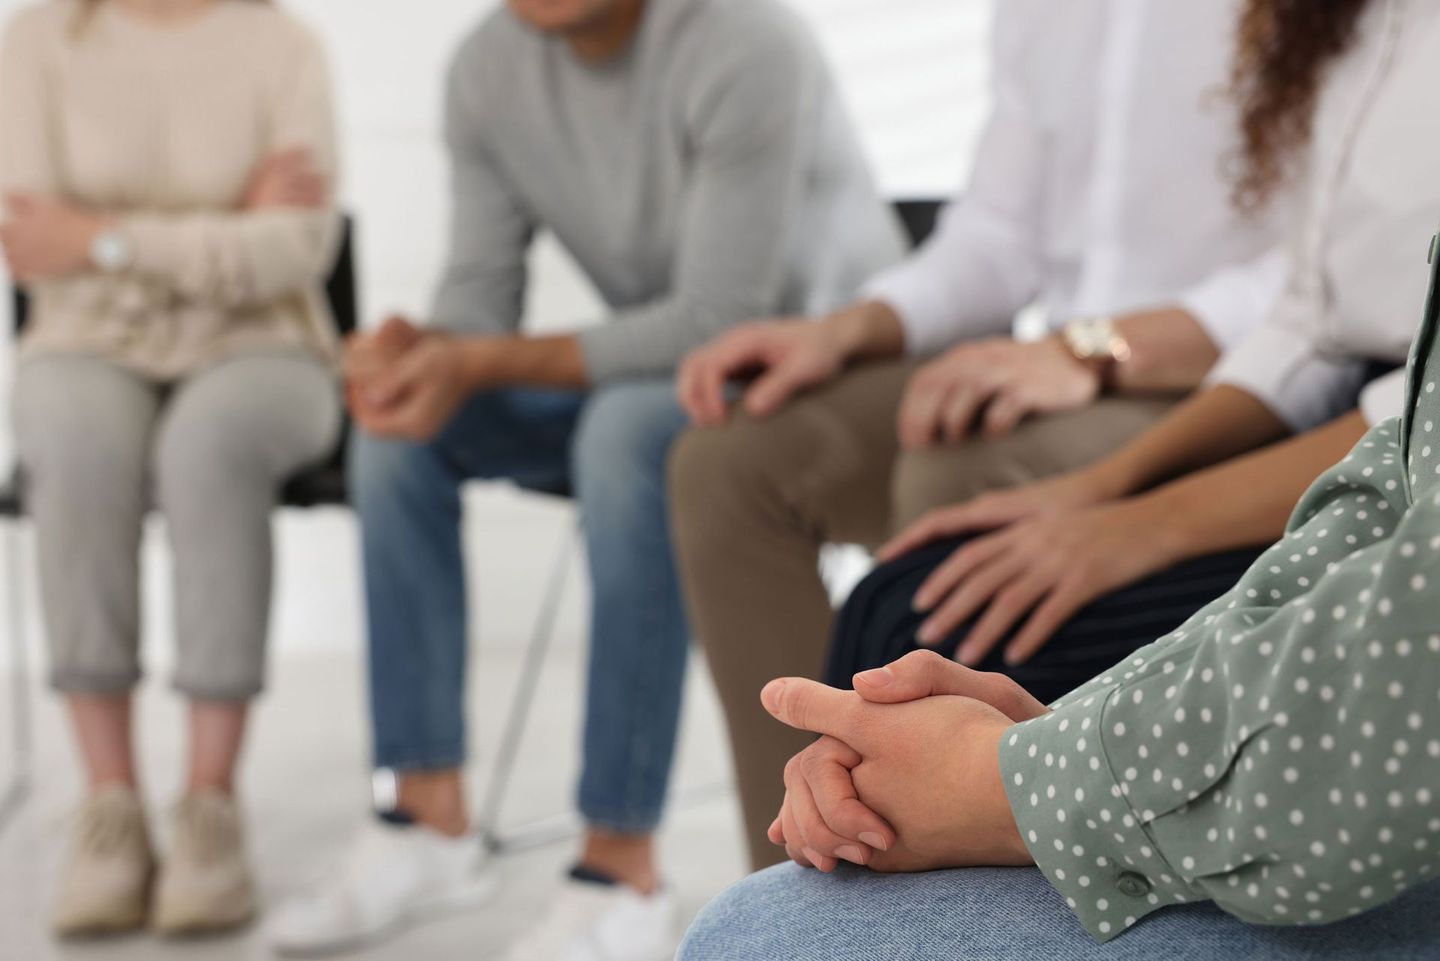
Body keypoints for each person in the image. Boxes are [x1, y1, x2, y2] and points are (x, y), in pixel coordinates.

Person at [675, 2, 1440, 955]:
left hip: (1209, 382)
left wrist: (1012, 778)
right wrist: (1098, 500)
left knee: (924, 610)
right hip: (1302, 414)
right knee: (828, 548)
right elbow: (1337, 359)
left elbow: (1402, 649)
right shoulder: (1349, 28)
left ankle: (871, 836)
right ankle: (827, 828)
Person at [262, 0, 902, 956]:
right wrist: (426, 354)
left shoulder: (746, 41)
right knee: (401, 432)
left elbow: (719, 317)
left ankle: (620, 864)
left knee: (624, 432)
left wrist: (472, 361)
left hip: (821, 374)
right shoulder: (486, 67)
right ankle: (426, 814)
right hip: (666, 373)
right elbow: (480, 298)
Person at [821, 0, 1430, 733]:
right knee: (895, 599)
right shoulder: (1353, 25)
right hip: (1343, 419)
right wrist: (1100, 490)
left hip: (1411, 500)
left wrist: (1141, 525)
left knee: (919, 628)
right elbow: (1307, 325)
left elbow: (1417, 417)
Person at [0, 0, 341, 937]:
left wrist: (103, 238)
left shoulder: (283, 47)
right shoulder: (39, 41)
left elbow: (296, 250)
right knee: (70, 435)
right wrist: (226, 223)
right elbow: (30, 241)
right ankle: (109, 809)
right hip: (84, 342)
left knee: (209, 443)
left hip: (266, 347)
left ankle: (209, 811)